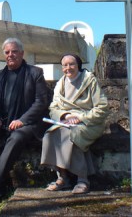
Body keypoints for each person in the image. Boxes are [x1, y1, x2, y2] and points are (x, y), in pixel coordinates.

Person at [0, 37, 51, 208]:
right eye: (7, 52)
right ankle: (0, 182)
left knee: (16, 137)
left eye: (14, 51)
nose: (10, 55)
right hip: (2, 123)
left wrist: (22, 120)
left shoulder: (35, 73)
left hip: (28, 124)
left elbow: (41, 102)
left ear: (22, 53)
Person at [40, 53, 109, 194]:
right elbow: (53, 108)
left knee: (72, 135)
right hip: (66, 122)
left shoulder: (90, 81)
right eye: (64, 65)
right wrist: (65, 115)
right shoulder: (60, 84)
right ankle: (62, 177)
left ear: (78, 65)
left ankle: (83, 179)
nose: (68, 68)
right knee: (50, 135)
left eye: (71, 64)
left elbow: (102, 107)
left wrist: (80, 118)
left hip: (89, 122)